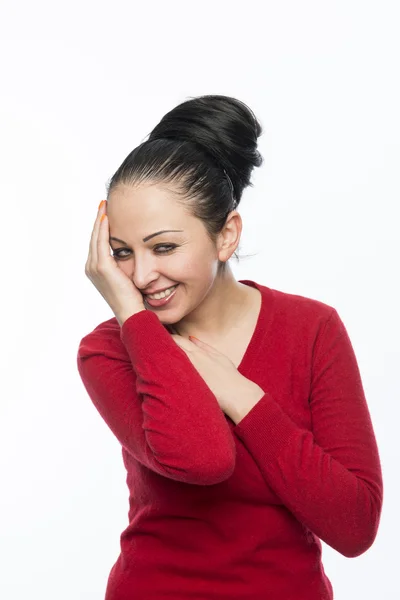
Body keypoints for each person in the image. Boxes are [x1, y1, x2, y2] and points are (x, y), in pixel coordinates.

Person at [77, 95, 383, 600]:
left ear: (226, 236)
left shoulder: (313, 330)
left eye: (165, 247)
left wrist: (240, 394)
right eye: (122, 253)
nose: (141, 275)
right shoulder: (108, 350)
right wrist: (134, 318)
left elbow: (355, 525)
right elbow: (203, 459)